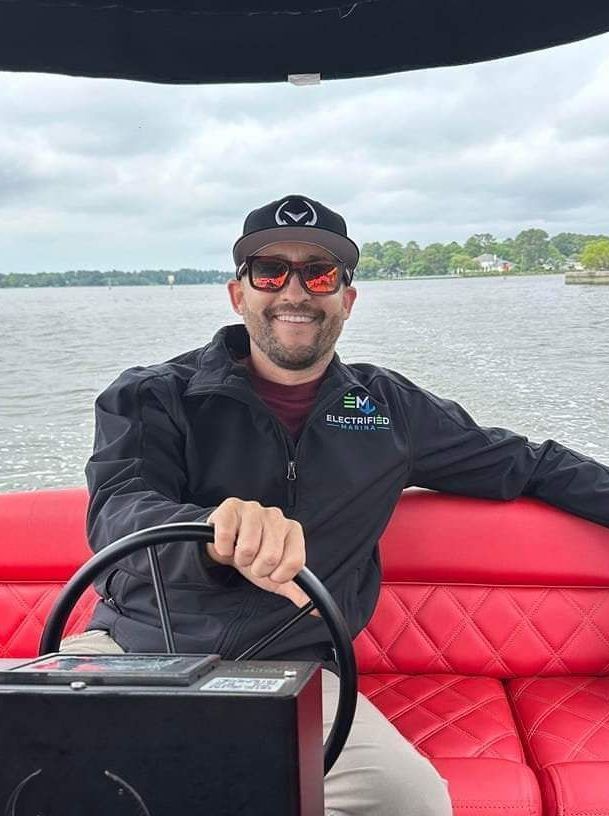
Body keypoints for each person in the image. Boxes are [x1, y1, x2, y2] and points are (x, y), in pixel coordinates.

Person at [65, 194, 609, 816]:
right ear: (238, 294)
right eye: (271, 271)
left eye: (319, 274)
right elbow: (118, 514)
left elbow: (530, 464)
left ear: (346, 300)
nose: (294, 291)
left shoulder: (391, 411)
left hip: (294, 673)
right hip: (138, 652)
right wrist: (212, 530)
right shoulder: (153, 396)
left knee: (412, 802)